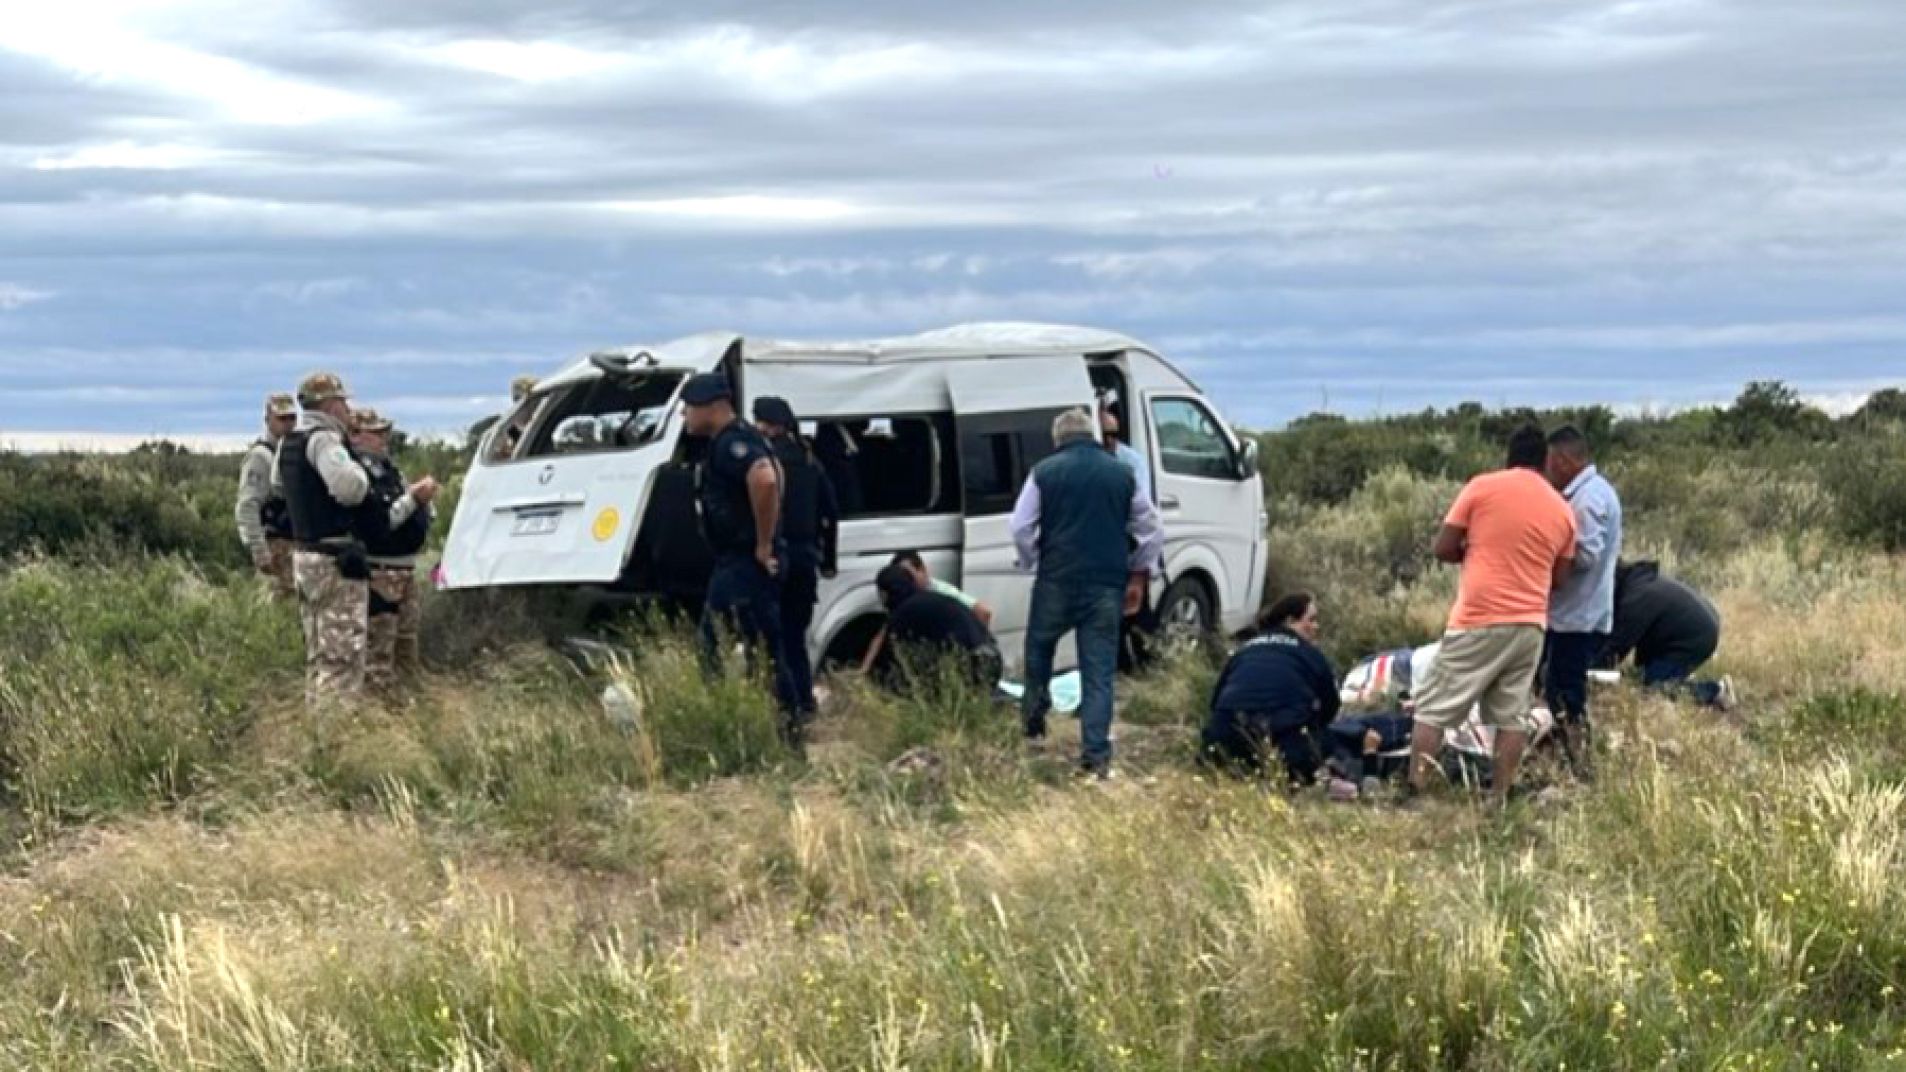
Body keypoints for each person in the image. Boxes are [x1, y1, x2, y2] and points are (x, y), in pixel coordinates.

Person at [1409, 425, 1576, 803]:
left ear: (1509, 455)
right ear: (1545, 460)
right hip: (1530, 624)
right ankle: (1498, 796)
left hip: (1479, 617)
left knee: (1434, 707)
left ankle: (1416, 790)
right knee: (1511, 715)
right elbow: (1560, 578)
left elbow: (1442, 547)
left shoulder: (1482, 487)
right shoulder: (1562, 509)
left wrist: (1471, 552)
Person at [1009, 407, 1165, 778]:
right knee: (1098, 670)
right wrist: (1138, 573)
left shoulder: (1043, 472)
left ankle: (1033, 725)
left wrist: (1032, 559)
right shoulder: (1123, 474)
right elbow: (1152, 530)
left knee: (1039, 653)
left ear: (1057, 439)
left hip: (1056, 580)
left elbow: (1020, 526)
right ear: (1092, 435)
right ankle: (1095, 754)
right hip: (1106, 584)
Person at [277, 372, 425, 711]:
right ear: (330, 404)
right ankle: (336, 742)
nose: (347, 409)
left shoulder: (290, 442)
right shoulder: (325, 440)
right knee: (342, 660)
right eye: (343, 402)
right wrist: (360, 473)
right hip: (333, 559)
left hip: (305, 555)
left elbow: (278, 486)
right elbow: (349, 488)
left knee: (319, 656)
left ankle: (316, 733)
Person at [681, 373, 799, 736]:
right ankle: (782, 729)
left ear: (710, 407)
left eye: (688, 408)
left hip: (743, 564)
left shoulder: (732, 443)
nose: (684, 415)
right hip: (740, 562)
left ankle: (727, 728)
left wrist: (763, 544)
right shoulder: (744, 437)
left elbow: (765, 478)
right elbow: (776, 471)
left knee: (719, 648)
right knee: (760, 649)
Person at [1543, 425, 1624, 771]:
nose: (1548, 470)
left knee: (1567, 690)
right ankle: (1567, 750)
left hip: (1576, 615)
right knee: (1558, 684)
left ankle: (1579, 757)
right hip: (1576, 611)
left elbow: (1587, 553)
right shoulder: (1592, 491)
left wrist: (1548, 563)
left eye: (1550, 461)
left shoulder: (1589, 498)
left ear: (1563, 460)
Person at [753, 396, 839, 719]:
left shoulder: (766, 462)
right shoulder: (811, 462)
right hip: (806, 561)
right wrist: (828, 560)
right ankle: (803, 702)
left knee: (771, 637)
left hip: (777, 557)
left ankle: (781, 704)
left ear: (768, 425)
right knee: (796, 637)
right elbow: (831, 513)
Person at [1200, 593, 1340, 784]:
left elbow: (1216, 702)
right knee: (1330, 739)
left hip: (1223, 745)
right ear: (1290, 621)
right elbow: (1330, 708)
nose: (1316, 627)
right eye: (1311, 620)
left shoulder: (1244, 651)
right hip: (1282, 751)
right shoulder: (1310, 655)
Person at [350, 407, 438, 693]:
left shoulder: (390, 470)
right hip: (380, 569)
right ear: (356, 436)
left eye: (385, 432)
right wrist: (414, 498)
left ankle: (407, 704)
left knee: (406, 641)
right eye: (376, 433)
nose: (383, 439)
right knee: (380, 647)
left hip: (405, 566)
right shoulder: (358, 474)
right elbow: (381, 521)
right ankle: (379, 710)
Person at [1602, 561, 1732, 708]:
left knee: (1654, 688)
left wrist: (1586, 670)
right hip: (1680, 630)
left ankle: (1716, 691)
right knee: (1638, 676)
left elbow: (1617, 647)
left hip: (1696, 637)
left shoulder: (1637, 598)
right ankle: (1674, 674)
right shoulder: (1637, 583)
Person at [871, 564, 1002, 692]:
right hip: (991, 660)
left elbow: (889, 657)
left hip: (973, 668)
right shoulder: (931, 599)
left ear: (887, 593)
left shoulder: (906, 612)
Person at [858, 551, 994, 674]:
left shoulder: (914, 606)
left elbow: (889, 650)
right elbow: (884, 633)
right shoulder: (924, 599)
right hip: (987, 658)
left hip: (976, 665)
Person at [235, 392, 298, 599]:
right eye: (282, 419)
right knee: (274, 609)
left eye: (292, 418)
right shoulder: (261, 457)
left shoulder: (292, 454)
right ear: (268, 420)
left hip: (295, 545)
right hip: (274, 546)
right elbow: (248, 505)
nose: (288, 424)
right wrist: (258, 549)